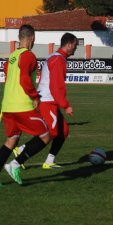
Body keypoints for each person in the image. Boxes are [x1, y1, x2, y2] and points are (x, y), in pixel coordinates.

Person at [13, 33, 77, 169]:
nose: (76, 48)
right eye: (75, 45)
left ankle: (49, 161)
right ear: (69, 44)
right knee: (50, 133)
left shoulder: (55, 57)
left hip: (48, 100)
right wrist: (65, 106)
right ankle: (18, 158)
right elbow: (56, 86)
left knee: (63, 130)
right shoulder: (58, 59)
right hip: (48, 101)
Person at [0, 24, 51, 185]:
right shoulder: (29, 56)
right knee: (45, 136)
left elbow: (9, 80)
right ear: (32, 37)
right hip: (21, 106)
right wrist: (35, 96)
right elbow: (24, 80)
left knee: (11, 140)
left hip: (7, 106)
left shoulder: (12, 57)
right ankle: (15, 164)